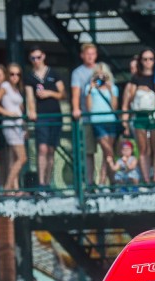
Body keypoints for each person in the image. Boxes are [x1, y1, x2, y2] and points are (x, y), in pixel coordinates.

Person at [25, 46, 66, 188]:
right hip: (41, 116)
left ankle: (48, 183)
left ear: (43, 56)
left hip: (55, 115)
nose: (36, 60)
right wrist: (32, 111)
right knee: (42, 149)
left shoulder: (54, 73)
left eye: (38, 57)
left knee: (51, 150)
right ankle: (41, 183)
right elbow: (30, 97)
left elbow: (63, 94)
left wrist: (49, 93)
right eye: (33, 58)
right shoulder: (30, 77)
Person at [121, 48, 155, 184]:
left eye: (151, 59)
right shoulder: (136, 78)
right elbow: (129, 99)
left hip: (154, 115)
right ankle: (146, 180)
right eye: (145, 59)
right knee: (143, 149)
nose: (148, 62)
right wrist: (139, 90)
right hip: (140, 116)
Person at [0, 63, 26, 192]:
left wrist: (25, 126)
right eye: (12, 74)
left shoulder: (16, 89)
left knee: (14, 158)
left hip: (19, 126)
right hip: (10, 125)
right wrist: (7, 113)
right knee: (22, 158)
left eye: (18, 74)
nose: (15, 77)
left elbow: (20, 108)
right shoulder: (5, 86)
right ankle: (7, 187)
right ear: (7, 75)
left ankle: (15, 188)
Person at [70, 43, 101, 185]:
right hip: (88, 117)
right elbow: (75, 93)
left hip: (103, 116)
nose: (90, 56)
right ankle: (89, 182)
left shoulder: (101, 69)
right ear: (82, 55)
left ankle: (105, 182)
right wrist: (76, 108)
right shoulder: (77, 73)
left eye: (93, 53)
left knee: (106, 150)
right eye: (88, 54)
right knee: (89, 151)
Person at [85, 63, 120, 186]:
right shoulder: (90, 88)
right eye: (97, 75)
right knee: (108, 150)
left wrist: (110, 90)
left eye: (103, 75)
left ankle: (107, 181)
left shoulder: (113, 88)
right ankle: (108, 179)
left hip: (111, 121)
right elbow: (89, 108)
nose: (100, 77)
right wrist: (90, 89)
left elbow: (114, 108)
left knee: (107, 154)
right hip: (97, 121)